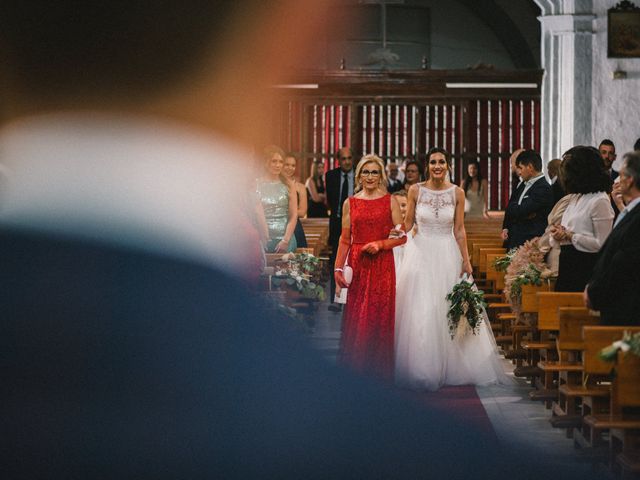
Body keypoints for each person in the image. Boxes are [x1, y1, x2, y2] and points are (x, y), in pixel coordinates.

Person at [395, 147, 508, 391]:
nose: (437, 166)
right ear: (428, 165)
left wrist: (466, 260)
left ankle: (454, 366)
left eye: (441, 162)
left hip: (447, 252)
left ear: (448, 165)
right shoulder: (415, 190)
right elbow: (408, 223)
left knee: (448, 308)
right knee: (422, 308)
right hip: (421, 252)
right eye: (433, 161)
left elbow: (459, 229)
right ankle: (422, 366)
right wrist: (397, 234)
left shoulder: (457, 192)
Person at [333, 154, 405, 380]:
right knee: (358, 315)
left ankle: (380, 373)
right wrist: (337, 269)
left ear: (381, 175)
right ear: (359, 175)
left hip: (382, 263)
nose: (370, 176)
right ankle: (356, 371)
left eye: (375, 172)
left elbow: (402, 237)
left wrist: (381, 244)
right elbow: (344, 239)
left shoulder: (390, 201)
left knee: (379, 315)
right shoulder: (350, 203)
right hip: (358, 262)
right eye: (366, 171)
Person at [585, 152, 640, 326]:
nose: (617, 181)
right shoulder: (630, 211)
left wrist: (594, 292)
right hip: (617, 304)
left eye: (621, 175)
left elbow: (621, 261)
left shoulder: (637, 218)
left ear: (630, 180)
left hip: (625, 309)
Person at [549, 146, 613, 292]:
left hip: (584, 269)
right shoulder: (576, 198)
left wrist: (571, 236)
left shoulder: (599, 200)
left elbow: (602, 245)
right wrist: (558, 233)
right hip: (567, 266)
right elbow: (566, 234)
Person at [501, 149, 553, 250]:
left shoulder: (543, 188)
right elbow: (511, 207)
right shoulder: (523, 184)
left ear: (530, 167)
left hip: (529, 243)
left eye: (520, 168)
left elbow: (521, 211)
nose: (519, 172)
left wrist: (516, 209)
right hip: (516, 240)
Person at [325, 146, 354, 309]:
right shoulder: (331, 176)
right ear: (339, 160)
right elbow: (330, 201)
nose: (347, 162)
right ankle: (336, 300)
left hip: (357, 224)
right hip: (337, 223)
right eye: (344, 159)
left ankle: (352, 300)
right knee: (336, 261)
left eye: (350, 158)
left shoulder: (360, 174)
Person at [257, 145, 297, 253]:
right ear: (266, 162)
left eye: (280, 162)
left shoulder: (289, 184)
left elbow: (293, 215)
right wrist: (263, 237)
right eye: (274, 161)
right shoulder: (257, 184)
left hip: (285, 237)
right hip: (262, 238)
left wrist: (286, 240)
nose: (278, 165)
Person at [283, 152, 308, 248]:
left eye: (293, 165)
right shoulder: (276, 185)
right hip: (275, 224)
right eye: (287, 165)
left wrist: (279, 212)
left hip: (294, 226)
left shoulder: (301, 187)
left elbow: (302, 212)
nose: (290, 168)